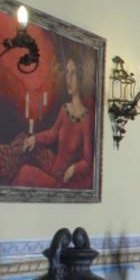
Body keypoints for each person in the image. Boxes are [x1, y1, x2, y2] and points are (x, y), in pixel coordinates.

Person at [14, 56, 93, 188]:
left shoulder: (86, 119)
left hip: (63, 182)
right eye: (67, 73)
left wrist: (74, 168)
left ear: (80, 76)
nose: (68, 79)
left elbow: (87, 161)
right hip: (52, 173)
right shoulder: (64, 109)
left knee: (25, 172)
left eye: (73, 73)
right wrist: (35, 138)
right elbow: (52, 134)